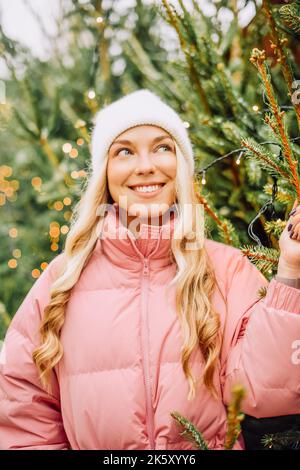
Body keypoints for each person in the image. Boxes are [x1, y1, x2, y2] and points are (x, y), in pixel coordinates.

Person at [0, 89, 299, 451]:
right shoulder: (62, 281)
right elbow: (24, 415)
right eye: (124, 151)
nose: (145, 166)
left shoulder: (227, 270)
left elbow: (267, 394)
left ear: (182, 166)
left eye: (162, 147)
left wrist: (291, 268)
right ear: (105, 173)